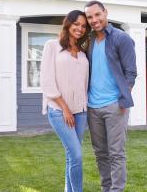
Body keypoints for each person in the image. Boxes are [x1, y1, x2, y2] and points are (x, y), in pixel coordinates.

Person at [84, 0, 137, 192]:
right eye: (90, 17)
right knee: (100, 153)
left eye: (97, 14)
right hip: (92, 106)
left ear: (106, 13)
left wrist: (122, 98)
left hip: (115, 106)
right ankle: (106, 189)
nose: (94, 20)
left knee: (116, 153)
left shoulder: (121, 38)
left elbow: (131, 73)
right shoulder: (88, 41)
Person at [40, 10, 91, 192]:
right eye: (76, 24)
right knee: (76, 155)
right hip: (59, 110)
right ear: (68, 24)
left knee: (71, 156)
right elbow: (47, 81)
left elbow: (83, 83)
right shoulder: (52, 46)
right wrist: (65, 109)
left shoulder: (83, 53)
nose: (80, 28)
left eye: (84, 26)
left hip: (81, 111)